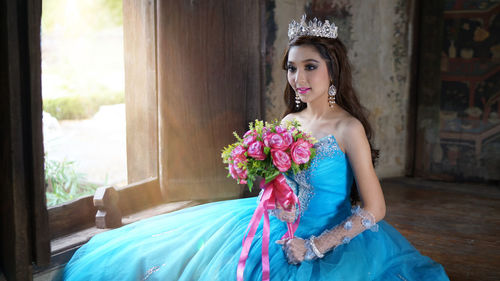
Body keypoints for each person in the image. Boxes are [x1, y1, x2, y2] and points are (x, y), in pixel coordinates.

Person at [63, 16, 450, 281]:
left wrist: (316, 246)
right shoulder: (289, 122)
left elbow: (376, 208)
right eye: (292, 68)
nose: (299, 78)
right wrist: (278, 200)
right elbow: (284, 184)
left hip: (326, 235)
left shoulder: (349, 128)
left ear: (333, 69)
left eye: (310, 66)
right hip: (276, 225)